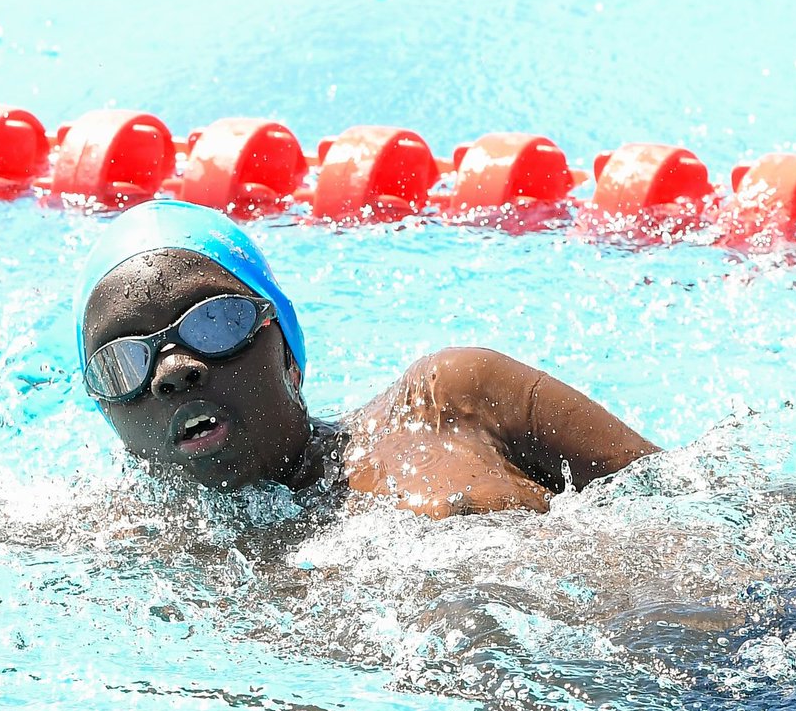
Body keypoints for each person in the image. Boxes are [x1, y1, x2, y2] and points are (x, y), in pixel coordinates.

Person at [76, 201, 660, 518]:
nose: (174, 371)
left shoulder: (452, 400)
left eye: (216, 321)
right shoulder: (125, 551)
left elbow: (687, 501)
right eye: (122, 363)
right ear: (107, 414)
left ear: (287, 350)